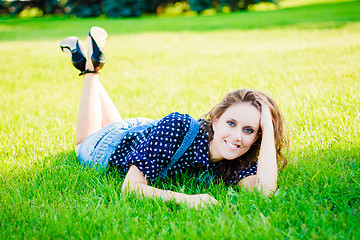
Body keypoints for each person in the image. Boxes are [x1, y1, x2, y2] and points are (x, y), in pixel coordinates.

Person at [60, 27, 288, 209]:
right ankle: (90, 72)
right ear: (216, 120)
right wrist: (188, 199)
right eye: (231, 123)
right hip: (110, 145)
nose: (237, 136)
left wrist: (268, 127)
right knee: (82, 143)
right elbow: (131, 188)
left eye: (249, 130)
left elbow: (264, 190)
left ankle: (93, 66)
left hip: (137, 134)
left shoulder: (239, 161)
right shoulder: (179, 125)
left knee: (117, 125)